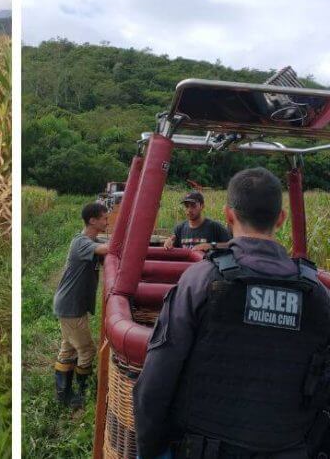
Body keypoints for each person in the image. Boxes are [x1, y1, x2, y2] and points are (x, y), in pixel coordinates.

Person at [134, 168, 330, 459]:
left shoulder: (200, 281)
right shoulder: (317, 294)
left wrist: (150, 449)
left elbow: (156, 381)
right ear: (281, 218)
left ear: (228, 215)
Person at [52, 202, 110, 408]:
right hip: (71, 307)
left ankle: (64, 396)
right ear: (92, 221)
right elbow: (107, 248)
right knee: (86, 350)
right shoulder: (81, 242)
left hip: (72, 305)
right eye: (104, 217)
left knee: (68, 349)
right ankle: (81, 393)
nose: (107, 220)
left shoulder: (91, 240)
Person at [163, 191, 231, 252]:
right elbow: (172, 245)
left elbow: (231, 245)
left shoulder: (214, 226)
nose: (189, 210)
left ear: (202, 206)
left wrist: (211, 245)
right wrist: (168, 243)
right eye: (187, 206)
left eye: (193, 206)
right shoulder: (179, 229)